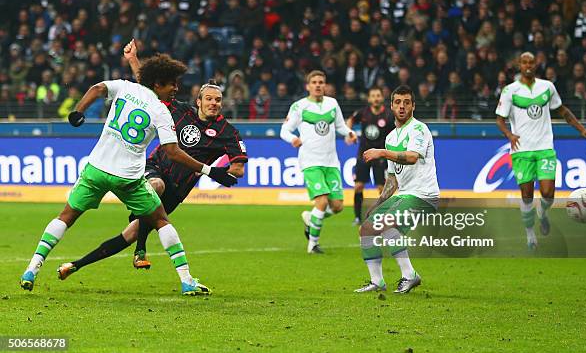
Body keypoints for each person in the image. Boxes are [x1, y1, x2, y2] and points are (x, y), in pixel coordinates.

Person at [21, 46, 237, 296]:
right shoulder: (161, 111)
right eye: (172, 84)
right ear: (158, 84)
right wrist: (211, 170)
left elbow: (97, 89)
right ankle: (186, 280)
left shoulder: (125, 87)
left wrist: (78, 111)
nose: (176, 89)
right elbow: (172, 151)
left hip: (96, 169)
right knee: (160, 220)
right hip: (129, 177)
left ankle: (31, 269)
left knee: (66, 216)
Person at [495, 52, 586, 249]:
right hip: (521, 150)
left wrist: (583, 130)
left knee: (547, 192)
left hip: (545, 147)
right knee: (526, 194)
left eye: (531, 62)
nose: (528, 65)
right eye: (524, 62)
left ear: (536, 65)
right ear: (519, 65)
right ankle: (530, 234)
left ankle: (542, 213)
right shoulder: (510, 91)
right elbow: (499, 119)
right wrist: (509, 135)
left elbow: (564, 112)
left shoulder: (547, 87)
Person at [354, 85, 439, 294]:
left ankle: (410, 276)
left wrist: (382, 153)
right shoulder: (391, 137)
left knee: (388, 226)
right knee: (366, 228)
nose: (402, 106)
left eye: (406, 102)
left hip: (424, 195)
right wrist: (377, 203)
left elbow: (411, 157)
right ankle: (377, 281)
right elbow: (392, 179)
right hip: (405, 194)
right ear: (391, 106)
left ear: (413, 106)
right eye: (398, 102)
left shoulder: (419, 129)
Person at [280, 70, 357, 254]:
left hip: (331, 162)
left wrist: (349, 133)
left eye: (321, 82)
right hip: (310, 161)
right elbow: (284, 130)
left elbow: (339, 125)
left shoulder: (332, 103)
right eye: (314, 82)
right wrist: (293, 139)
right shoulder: (299, 106)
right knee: (321, 201)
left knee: (337, 206)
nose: (317, 85)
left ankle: (311, 217)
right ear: (308, 86)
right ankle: (313, 244)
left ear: (325, 85)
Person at [346, 86, 395, 225]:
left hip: (380, 156)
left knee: (382, 188)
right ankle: (357, 217)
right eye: (373, 96)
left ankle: (384, 217)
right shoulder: (363, 112)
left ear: (382, 97)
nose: (375, 98)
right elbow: (350, 120)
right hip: (364, 155)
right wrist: (349, 133)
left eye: (378, 95)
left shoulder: (388, 115)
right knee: (358, 186)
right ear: (369, 98)